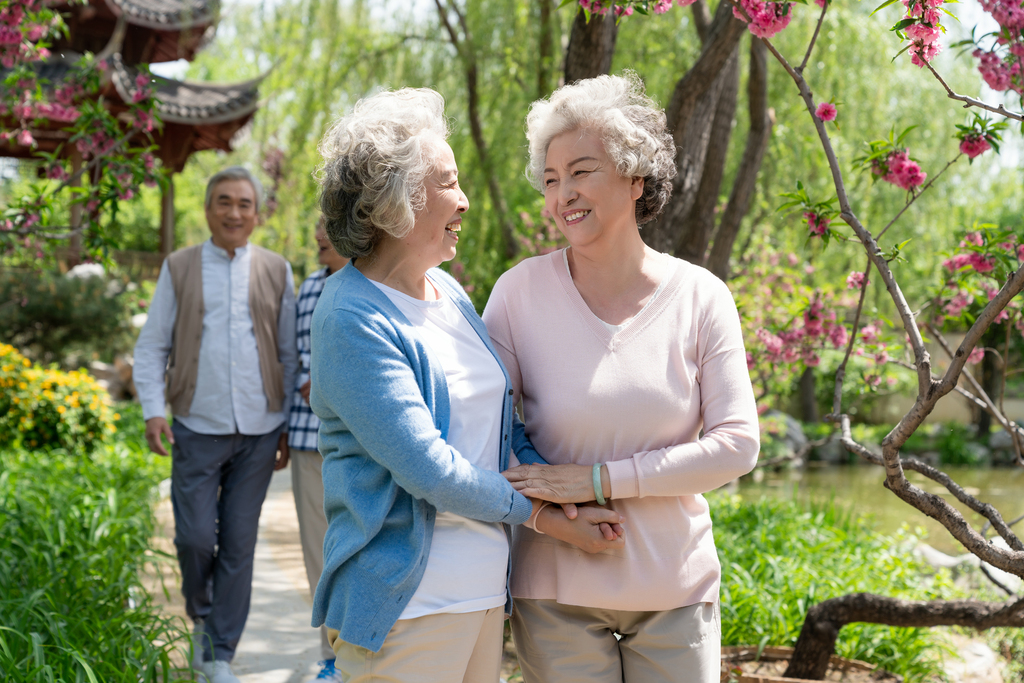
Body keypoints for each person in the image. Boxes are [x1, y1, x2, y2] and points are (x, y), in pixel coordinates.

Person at [308, 87, 623, 683]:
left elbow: (499, 429)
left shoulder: (447, 292)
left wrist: (568, 495)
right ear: (394, 201)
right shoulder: (350, 318)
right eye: (449, 183)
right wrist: (542, 516)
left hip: (481, 597)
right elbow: (429, 468)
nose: (466, 200)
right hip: (407, 610)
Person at [482, 73, 761, 683]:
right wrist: (553, 515)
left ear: (636, 178)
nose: (564, 195)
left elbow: (737, 445)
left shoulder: (702, 297)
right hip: (553, 583)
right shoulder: (516, 293)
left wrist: (598, 480)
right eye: (551, 180)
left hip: (675, 586)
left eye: (582, 171)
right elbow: (489, 426)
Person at [133, 166, 298, 683]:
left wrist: (289, 423)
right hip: (197, 425)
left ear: (256, 213)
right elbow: (151, 346)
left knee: (240, 541)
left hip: (260, 428)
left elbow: (290, 353)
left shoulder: (276, 268)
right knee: (196, 538)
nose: (233, 212)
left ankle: (219, 652)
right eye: (223, 202)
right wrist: (153, 410)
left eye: (244, 204)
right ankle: (203, 614)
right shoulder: (179, 266)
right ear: (207, 209)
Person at [287, 217, 349, 681]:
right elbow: (288, 358)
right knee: (318, 550)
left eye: (331, 225)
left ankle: (359, 649)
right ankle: (331, 657)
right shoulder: (307, 287)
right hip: (310, 441)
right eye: (318, 226)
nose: (320, 235)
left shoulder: (374, 281)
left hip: (363, 445)